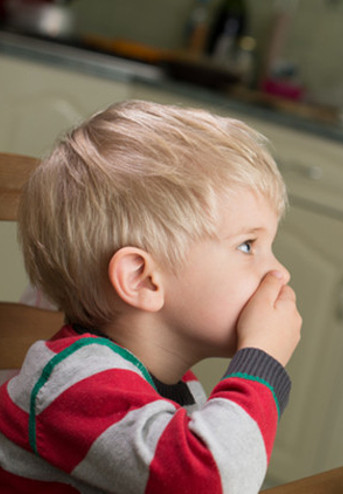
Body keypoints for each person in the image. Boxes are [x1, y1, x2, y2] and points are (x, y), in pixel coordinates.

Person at [0, 100, 302, 493]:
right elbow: (212, 481)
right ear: (142, 280)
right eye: (247, 245)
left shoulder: (171, 383)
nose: (279, 272)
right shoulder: (76, 385)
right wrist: (261, 360)